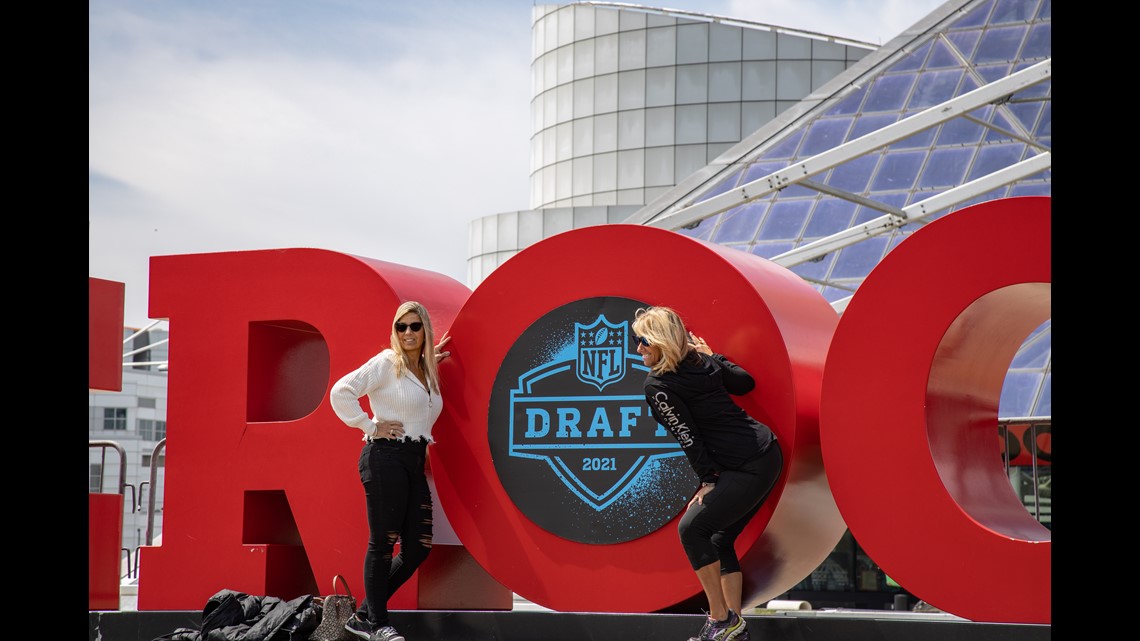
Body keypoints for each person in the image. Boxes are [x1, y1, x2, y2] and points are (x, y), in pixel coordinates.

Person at [631, 306, 783, 641]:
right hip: (765, 453)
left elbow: (688, 436)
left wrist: (709, 481)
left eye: (642, 340)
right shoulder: (702, 362)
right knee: (719, 539)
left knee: (692, 530)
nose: (637, 348)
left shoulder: (657, 385)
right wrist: (714, 355)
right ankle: (733, 630)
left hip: (749, 464)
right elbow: (743, 382)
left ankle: (720, 620)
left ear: (659, 341)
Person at [329, 301, 452, 641]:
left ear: (425, 329)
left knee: (419, 547)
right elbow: (342, 391)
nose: (408, 333)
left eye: (415, 326)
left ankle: (366, 615)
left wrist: (429, 361)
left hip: (413, 461)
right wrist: (368, 424)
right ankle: (375, 622)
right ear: (395, 332)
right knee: (383, 543)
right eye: (402, 327)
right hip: (385, 456)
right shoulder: (387, 363)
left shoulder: (426, 372)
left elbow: (421, 400)